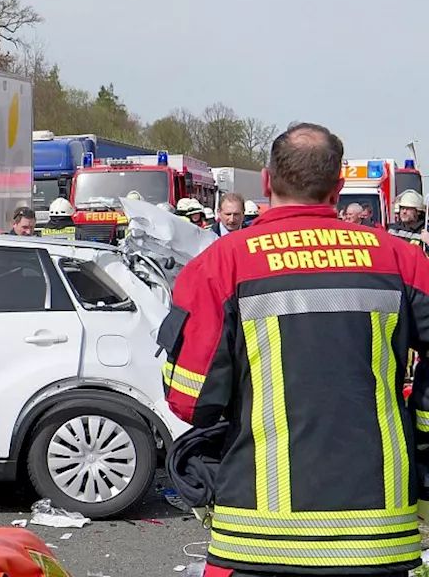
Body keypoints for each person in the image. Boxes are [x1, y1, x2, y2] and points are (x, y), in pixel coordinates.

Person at [159, 122, 429, 576]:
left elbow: (190, 401)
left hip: (257, 537)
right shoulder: (403, 260)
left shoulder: (221, 265)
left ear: (267, 181)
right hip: (376, 536)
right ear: (338, 187)